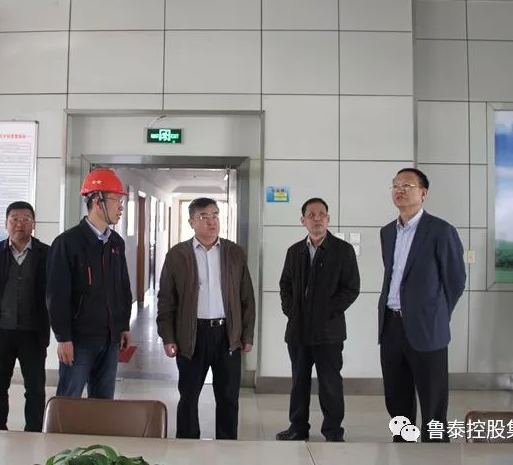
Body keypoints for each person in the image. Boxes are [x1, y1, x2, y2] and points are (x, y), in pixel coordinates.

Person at [157, 197, 256, 440]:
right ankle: (187, 443)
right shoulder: (177, 255)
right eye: (204, 217)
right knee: (189, 396)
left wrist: (247, 334)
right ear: (191, 222)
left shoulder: (234, 252)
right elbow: (166, 300)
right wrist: (168, 337)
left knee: (228, 397)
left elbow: (247, 297)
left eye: (215, 215)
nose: (212, 221)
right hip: (192, 335)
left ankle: (227, 444)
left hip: (226, 335)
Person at [379, 168, 466, 442]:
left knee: (432, 399)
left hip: (428, 327)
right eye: (395, 186)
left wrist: (436, 314)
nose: (399, 190)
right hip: (391, 324)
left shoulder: (441, 231)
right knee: (396, 395)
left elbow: (455, 281)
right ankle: (402, 442)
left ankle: (434, 448)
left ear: (423, 193)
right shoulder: (387, 232)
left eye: (407, 186)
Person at [276, 198, 359, 442]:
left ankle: (333, 431)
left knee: (330, 382)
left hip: (329, 331)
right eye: (311, 215)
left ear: (328, 219)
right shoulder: (294, 251)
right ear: (303, 221)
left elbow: (351, 288)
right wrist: (291, 310)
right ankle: (297, 427)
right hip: (298, 331)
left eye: (322, 214)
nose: (317, 218)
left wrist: (328, 311)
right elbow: (285, 285)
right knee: (299, 382)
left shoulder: (343, 250)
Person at [47, 168, 132, 399]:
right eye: (116, 199)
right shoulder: (67, 243)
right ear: (97, 201)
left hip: (110, 339)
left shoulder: (116, 243)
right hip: (79, 341)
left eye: (121, 200)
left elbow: (123, 288)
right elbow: (57, 295)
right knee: (69, 401)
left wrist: (123, 325)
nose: (121, 206)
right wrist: (63, 338)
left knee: (103, 403)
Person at [0, 201, 50, 432]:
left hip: (33, 332)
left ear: (33, 224)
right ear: (6, 223)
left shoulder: (46, 253)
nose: (20, 224)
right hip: (0, 331)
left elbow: (52, 290)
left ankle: (33, 432)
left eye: (26, 219)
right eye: (14, 219)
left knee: (36, 389)